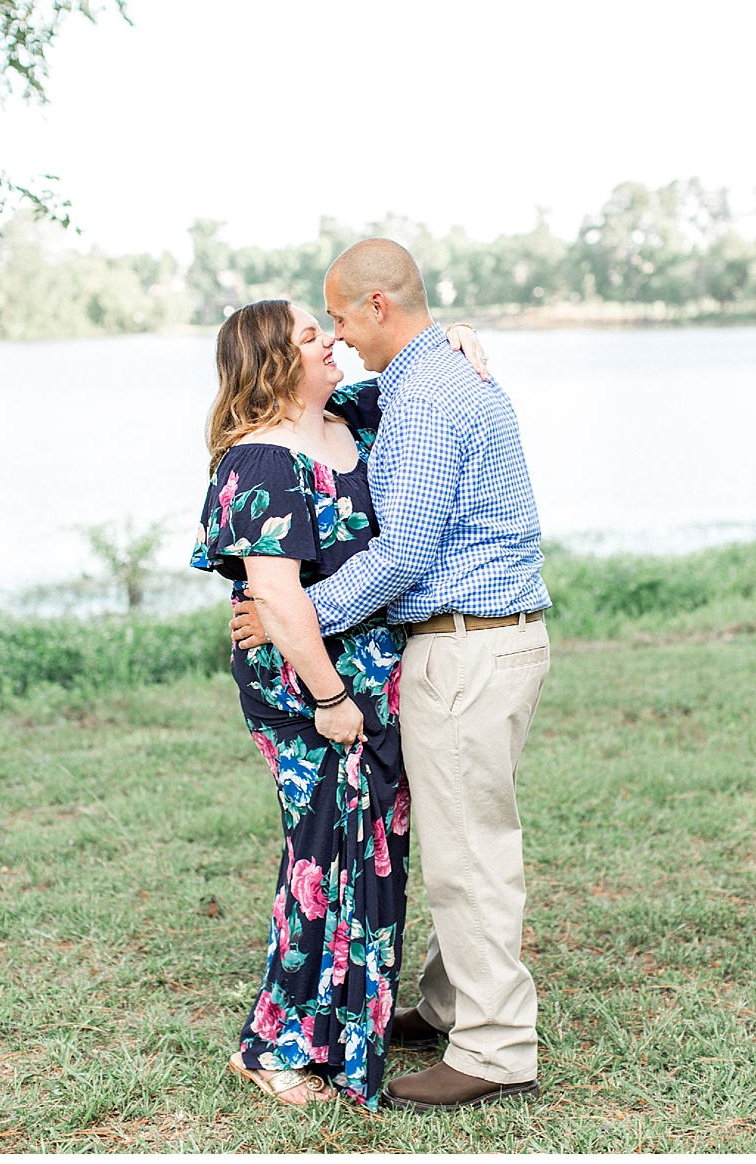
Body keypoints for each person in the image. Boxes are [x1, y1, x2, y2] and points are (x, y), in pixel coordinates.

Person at [234, 239, 554, 1113]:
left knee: (467, 852)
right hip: (488, 639)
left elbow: (403, 551)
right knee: (468, 827)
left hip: (466, 642)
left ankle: (494, 1050)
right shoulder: (425, 382)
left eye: (338, 317)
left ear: (378, 305)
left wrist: (293, 616)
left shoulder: (426, 397)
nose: (336, 337)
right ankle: (453, 1003)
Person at [193, 299, 489, 1111]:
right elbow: (278, 600)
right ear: (275, 363)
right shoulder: (258, 464)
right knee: (321, 860)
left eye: (329, 330)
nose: (333, 344)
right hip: (308, 692)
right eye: (312, 337)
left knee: (375, 863)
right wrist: (329, 697)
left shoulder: (351, 417)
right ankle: (275, 1046)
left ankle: (349, 1031)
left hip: (374, 682)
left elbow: (415, 372)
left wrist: (455, 338)